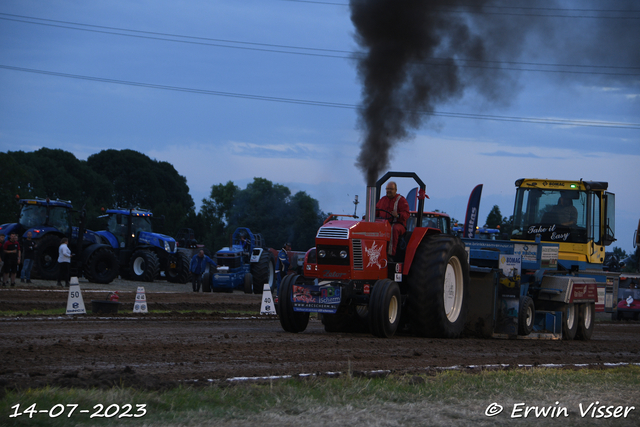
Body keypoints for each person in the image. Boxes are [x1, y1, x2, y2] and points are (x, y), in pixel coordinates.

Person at [376, 181, 410, 257]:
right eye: (387, 189)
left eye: (391, 189)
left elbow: (406, 214)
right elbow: (376, 210)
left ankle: (390, 254)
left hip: (397, 223)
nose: (389, 191)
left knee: (392, 229)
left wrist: (398, 215)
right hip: (383, 223)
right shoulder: (383, 200)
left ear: (395, 190)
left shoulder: (401, 200)